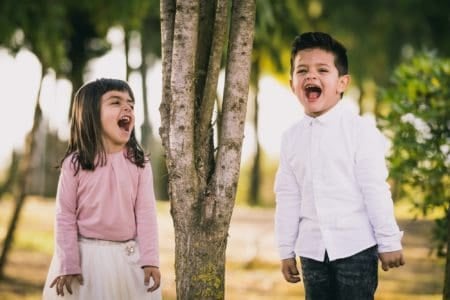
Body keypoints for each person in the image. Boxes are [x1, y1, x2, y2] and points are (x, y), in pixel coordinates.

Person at [274, 32, 405, 300]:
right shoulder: (291, 138)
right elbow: (288, 196)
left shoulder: (360, 131)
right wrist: (286, 249)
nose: (311, 76)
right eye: (302, 71)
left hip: (355, 248)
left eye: (322, 69)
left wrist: (389, 241)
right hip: (311, 251)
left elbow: (375, 189)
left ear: (342, 83)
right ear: (292, 84)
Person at [42, 78, 161, 299]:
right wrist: (68, 262)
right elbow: (64, 216)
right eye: (115, 102)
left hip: (128, 262)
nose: (127, 107)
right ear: (91, 115)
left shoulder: (139, 163)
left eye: (131, 104)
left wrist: (150, 260)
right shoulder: (75, 164)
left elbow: (146, 214)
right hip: (86, 261)